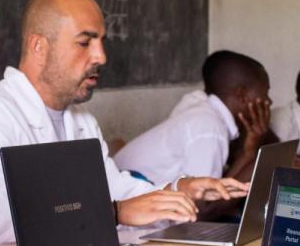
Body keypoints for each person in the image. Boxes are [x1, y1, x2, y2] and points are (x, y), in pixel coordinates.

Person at [0, 0, 248, 246]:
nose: (101, 56)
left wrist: (176, 191)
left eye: (101, 41)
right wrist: (113, 212)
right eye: (85, 42)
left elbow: (113, 188)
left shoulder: (80, 119)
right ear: (38, 46)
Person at [115, 50, 274, 185]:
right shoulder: (210, 127)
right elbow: (203, 206)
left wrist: (248, 153)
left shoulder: (203, 110)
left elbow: (213, 191)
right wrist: (251, 161)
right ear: (242, 95)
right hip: (125, 206)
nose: (269, 101)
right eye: (265, 93)